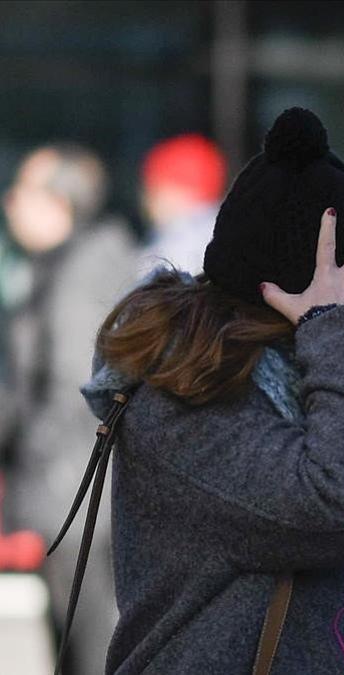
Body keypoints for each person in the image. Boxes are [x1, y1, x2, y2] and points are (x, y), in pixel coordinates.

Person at [73, 108, 344, 674]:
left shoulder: (294, 382)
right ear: (295, 302)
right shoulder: (188, 397)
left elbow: (327, 604)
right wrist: (341, 329)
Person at [1, 143, 137, 675]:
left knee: (90, 647)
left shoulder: (83, 272)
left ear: (61, 203)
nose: (11, 203)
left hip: (80, 498)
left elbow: (77, 392)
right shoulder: (61, 266)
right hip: (74, 492)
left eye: (24, 191)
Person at [137, 133, 227, 275]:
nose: (147, 199)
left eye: (155, 188)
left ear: (177, 190)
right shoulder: (232, 230)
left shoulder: (174, 245)